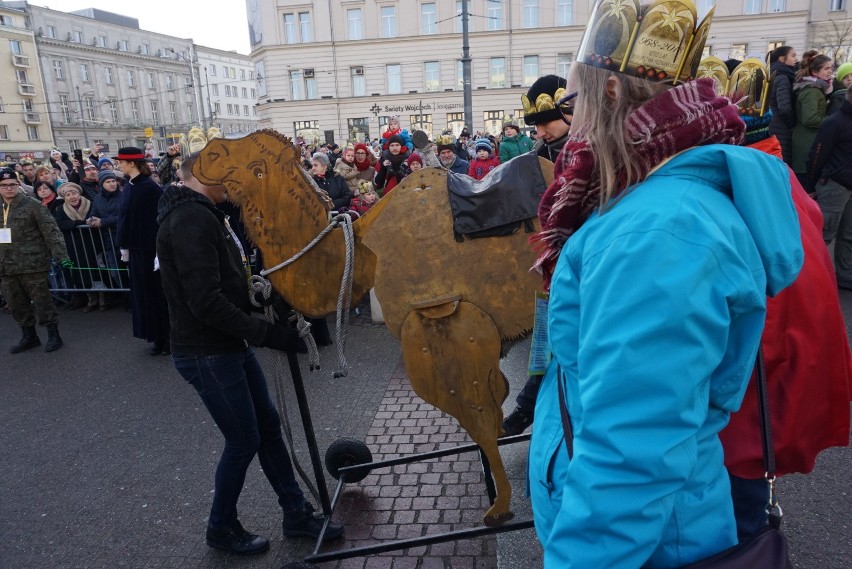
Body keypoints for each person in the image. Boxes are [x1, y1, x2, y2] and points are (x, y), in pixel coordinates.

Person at [526, 8, 803, 566]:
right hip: (663, 527)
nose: (572, 123)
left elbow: (633, 457)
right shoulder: (651, 202)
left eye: (574, 103)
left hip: (655, 545)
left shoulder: (657, 232)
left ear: (607, 91)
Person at [156, 153, 344, 555]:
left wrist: (267, 298)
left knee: (268, 429)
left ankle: (295, 512)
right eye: (228, 175)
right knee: (243, 441)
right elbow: (205, 301)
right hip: (206, 353)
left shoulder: (206, 212)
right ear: (204, 175)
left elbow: (227, 283)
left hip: (226, 346)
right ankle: (220, 528)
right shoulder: (190, 219)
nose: (235, 183)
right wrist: (269, 334)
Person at [0, 167, 70, 353]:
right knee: (16, 303)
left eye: (12, 184)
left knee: (42, 301)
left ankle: (54, 334)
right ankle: (29, 336)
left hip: (33, 263)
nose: (9, 188)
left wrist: (61, 256)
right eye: (4, 185)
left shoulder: (32, 205)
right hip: (6, 266)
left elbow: (51, 232)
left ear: (18, 185)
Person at [114, 146, 170, 355]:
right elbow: (126, 218)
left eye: (121, 161)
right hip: (137, 249)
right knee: (144, 296)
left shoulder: (149, 187)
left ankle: (168, 337)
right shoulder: (129, 186)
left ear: (131, 163)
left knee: (157, 294)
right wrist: (125, 244)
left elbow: (161, 218)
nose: (118, 165)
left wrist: (159, 249)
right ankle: (155, 336)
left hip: (150, 250)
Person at [808, 87, 852, 288]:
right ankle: (812, 279)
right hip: (835, 184)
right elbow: (818, 154)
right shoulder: (835, 122)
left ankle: (845, 275)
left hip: (847, 185)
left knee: (849, 235)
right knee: (824, 235)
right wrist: (811, 183)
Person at [792, 52, 833, 189]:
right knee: (806, 187)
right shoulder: (811, 91)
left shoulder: (815, 89)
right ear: (815, 72)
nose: (830, 72)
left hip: (808, 141)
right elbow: (810, 119)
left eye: (830, 68)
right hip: (807, 145)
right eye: (826, 68)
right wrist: (832, 122)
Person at [89, 169, 128, 295]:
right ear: (102, 184)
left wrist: (103, 222)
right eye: (108, 181)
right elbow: (94, 213)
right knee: (115, 273)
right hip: (109, 241)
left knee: (131, 271)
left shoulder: (124, 195)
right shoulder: (97, 199)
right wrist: (91, 220)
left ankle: (135, 298)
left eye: (113, 181)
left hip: (125, 239)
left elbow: (125, 216)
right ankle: (127, 297)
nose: (112, 184)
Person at [523, 75, 573, 162]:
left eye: (544, 123)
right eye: (536, 125)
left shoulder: (600, 148)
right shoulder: (538, 155)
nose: (539, 134)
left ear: (569, 112)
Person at [767, 45, 798, 165]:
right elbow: (784, 107)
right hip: (780, 127)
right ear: (782, 58)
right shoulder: (783, 77)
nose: (795, 59)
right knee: (782, 165)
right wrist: (792, 123)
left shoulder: (771, 73)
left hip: (770, 123)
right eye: (793, 55)